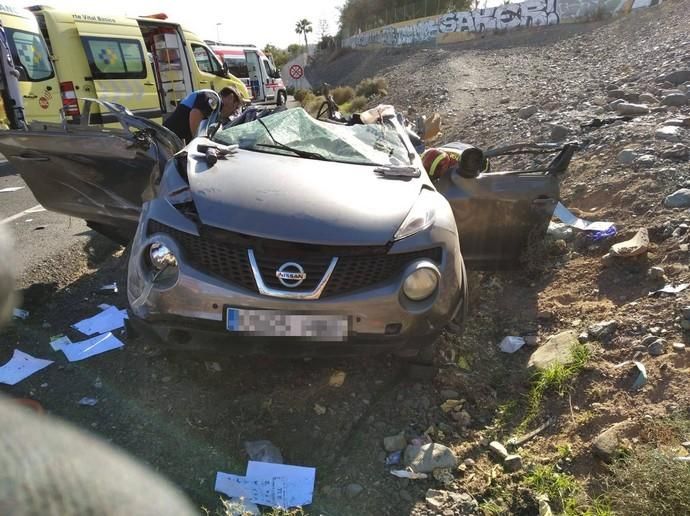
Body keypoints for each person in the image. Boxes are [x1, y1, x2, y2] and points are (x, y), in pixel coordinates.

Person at [163, 86, 243, 143]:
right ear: (230, 97)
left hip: (172, 138)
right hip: (167, 139)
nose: (233, 112)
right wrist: (197, 142)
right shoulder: (213, 98)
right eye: (235, 107)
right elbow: (195, 113)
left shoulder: (215, 108)